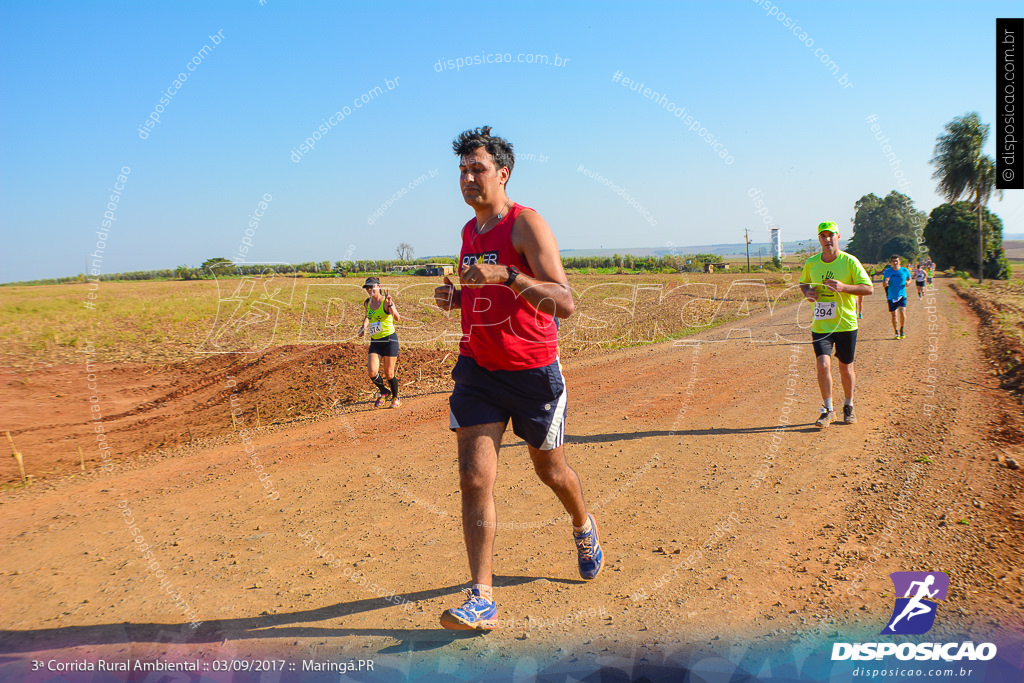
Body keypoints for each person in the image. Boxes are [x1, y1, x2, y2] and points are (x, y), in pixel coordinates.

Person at [433, 126, 601, 630]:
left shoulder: (525, 225)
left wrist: (509, 275)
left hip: (532, 373)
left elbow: (565, 303)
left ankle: (582, 523)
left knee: (551, 472)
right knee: (473, 478)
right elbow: (484, 292)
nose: (467, 178)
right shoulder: (469, 232)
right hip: (478, 371)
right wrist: (459, 298)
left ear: (503, 173)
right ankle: (481, 596)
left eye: (477, 169)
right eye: (462, 170)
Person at [799, 221, 874, 428]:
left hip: (846, 324)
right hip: (821, 325)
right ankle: (827, 410)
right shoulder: (812, 263)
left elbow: (868, 289)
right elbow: (803, 282)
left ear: (838, 237)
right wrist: (807, 293)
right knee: (823, 364)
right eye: (823, 236)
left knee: (845, 367)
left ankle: (848, 406)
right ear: (819, 239)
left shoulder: (850, 262)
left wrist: (844, 287)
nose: (827, 239)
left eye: (830, 235)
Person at [357, 277, 402, 408]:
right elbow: (368, 317)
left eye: (372, 287)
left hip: (389, 340)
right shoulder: (367, 303)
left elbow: (397, 318)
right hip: (375, 341)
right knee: (372, 371)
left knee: (389, 373)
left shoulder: (385, 302)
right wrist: (363, 327)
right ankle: (384, 391)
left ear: (379, 286)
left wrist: (391, 305)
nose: (369, 290)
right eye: (367, 288)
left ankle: (395, 397)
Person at [882, 255, 911, 339]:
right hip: (891, 296)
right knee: (894, 315)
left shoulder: (905, 270)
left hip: (902, 295)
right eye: (893, 261)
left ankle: (902, 329)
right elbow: (884, 284)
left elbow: (909, 278)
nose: (895, 263)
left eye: (896, 261)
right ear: (891, 262)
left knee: (902, 312)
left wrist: (908, 282)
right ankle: (896, 331)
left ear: (899, 262)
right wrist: (886, 282)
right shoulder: (887, 272)